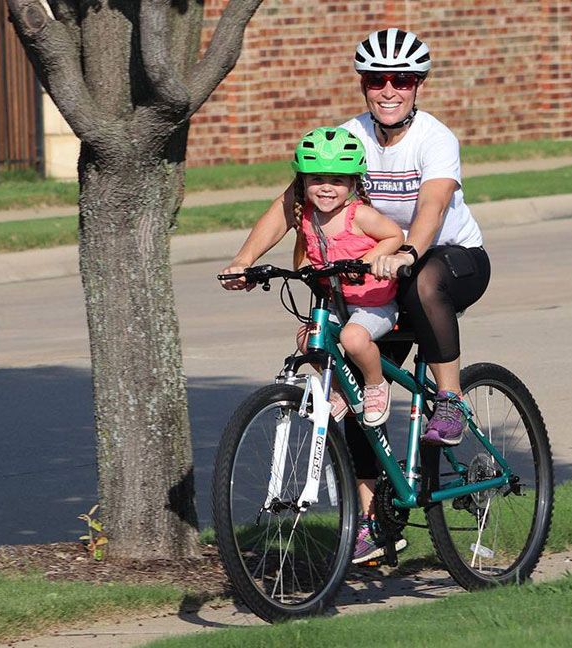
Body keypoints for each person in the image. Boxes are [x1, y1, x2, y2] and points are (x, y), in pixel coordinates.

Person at [220, 28, 490, 564]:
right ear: (364, 85)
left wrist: (408, 250)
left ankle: (451, 400)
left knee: (426, 280)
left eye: (402, 80)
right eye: (377, 80)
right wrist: (244, 260)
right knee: (356, 389)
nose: (388, 91)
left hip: (451, 258)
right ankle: (376, 522)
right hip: (376, 274)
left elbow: (433, 207)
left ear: (418, 86)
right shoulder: (349, 137)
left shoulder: (435, 139)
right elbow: (288, 205)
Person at [290, 126, 405, 426]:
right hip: (339, 303)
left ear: (353, 182)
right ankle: (339, 392)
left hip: (374, 304)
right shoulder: (306, 216)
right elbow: (305, 249)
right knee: (308, 338)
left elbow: (394, 235)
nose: (326, 188)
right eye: (317, 179)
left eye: (337, 181)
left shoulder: (359, 215)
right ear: (303, 180)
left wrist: (367, 260)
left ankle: (375, 384)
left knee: (353, 338)